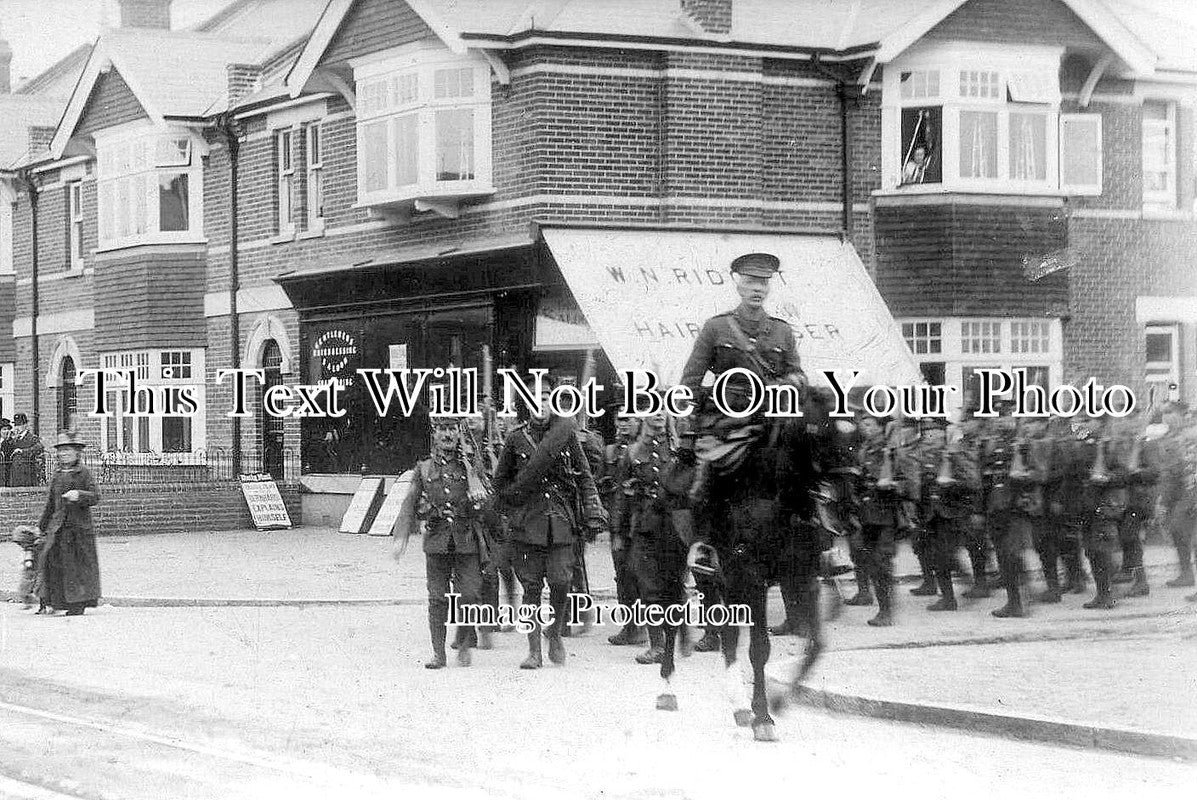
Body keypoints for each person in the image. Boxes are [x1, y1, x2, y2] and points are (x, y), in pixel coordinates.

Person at [491, 375, 607, 669]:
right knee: (530, 588)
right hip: (527, 524)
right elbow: (501, 481)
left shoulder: (566, 433)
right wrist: (510, 508)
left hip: (560, 522)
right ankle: (533, 651)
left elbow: (585, 476)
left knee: (561, 581)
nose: (540, 404)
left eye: (545, 398)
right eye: (534, 399)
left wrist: (593, 510)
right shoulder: (516, 438)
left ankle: (554, 631)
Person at [679, 252, 807, 502]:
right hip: (724, 423)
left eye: (764, 282)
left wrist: (788, 383)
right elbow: (690, 382)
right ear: (738, 284)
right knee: (704, 482)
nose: (757, 289)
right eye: (750, 281)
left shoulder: (782, 331)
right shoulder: (716, 328)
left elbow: (798, 375)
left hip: (771, 421)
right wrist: (688, 426)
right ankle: (704, 537)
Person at [397, 416, 490, 669]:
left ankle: (463, 638)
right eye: (442, 429)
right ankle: (439, 654)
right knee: (437, 599)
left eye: (452, 429)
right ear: (435, 434)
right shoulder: (424, 469)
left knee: (470, 595)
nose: (447, 434)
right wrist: (401, 535)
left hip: (466, 539)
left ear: (459, 433)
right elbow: (410, 503)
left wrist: (479, 499)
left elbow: (488, 503)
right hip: (437, 541)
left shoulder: (472, 467)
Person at [614, 408, 687, 664]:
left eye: (663, 408)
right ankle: (657, 645)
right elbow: (622, 496)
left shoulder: (681, 449)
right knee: (648, 586)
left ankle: (678, 637)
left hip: (676, 528)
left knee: (675, 585)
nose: (658, 414)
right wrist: (618, 532)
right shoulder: (632, 453)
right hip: (645, 527)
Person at [915, 417, 980, 611]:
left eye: (933, 432)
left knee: (943, 556)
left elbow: (972, 482)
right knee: (937, 556)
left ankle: (950, 598)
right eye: (926, 433)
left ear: (944, 434)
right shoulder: (923, 457)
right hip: (931, 514)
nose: (928, 437)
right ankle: (949, 596)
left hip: (952, 514)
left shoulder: (956, 454)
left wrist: (950, 483)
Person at [37, 431, 101, 616]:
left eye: (67, 450)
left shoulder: (84, 473)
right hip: (58, 529)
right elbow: (50, 504)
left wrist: (79, 495)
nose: (63, 454)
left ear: (77, 453)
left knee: (77, 568)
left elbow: (96, 496)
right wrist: (40, 527)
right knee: (55, 564)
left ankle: (77, 605)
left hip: (78, 529)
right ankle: (58, 602)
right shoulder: (57, 474)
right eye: (61, 451)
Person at [600, 412, 646, 646]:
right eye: (620, 419)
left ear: (640, 421)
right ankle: (631, 627)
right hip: (619, 520)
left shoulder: (646, 447)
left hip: (643, 521)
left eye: (630, 418)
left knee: (645, 574)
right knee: (623, 575)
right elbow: (603, 483)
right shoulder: (610, 451)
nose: (624, 423)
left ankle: (649, 626)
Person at [8, 413, 45, 487]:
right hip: (15, 472)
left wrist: (23, 451)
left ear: (25, 425)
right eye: (16, 425)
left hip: (27, 472)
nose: (17, 427)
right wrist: (9, 438)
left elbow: (39, 447)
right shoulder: (14, 439)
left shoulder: (31, 437)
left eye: (20, 424)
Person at [0, 418, 13, 487]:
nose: (7, 431)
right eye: (4, 429)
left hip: (6, 471)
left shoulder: (11, 442)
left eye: (8, 429)